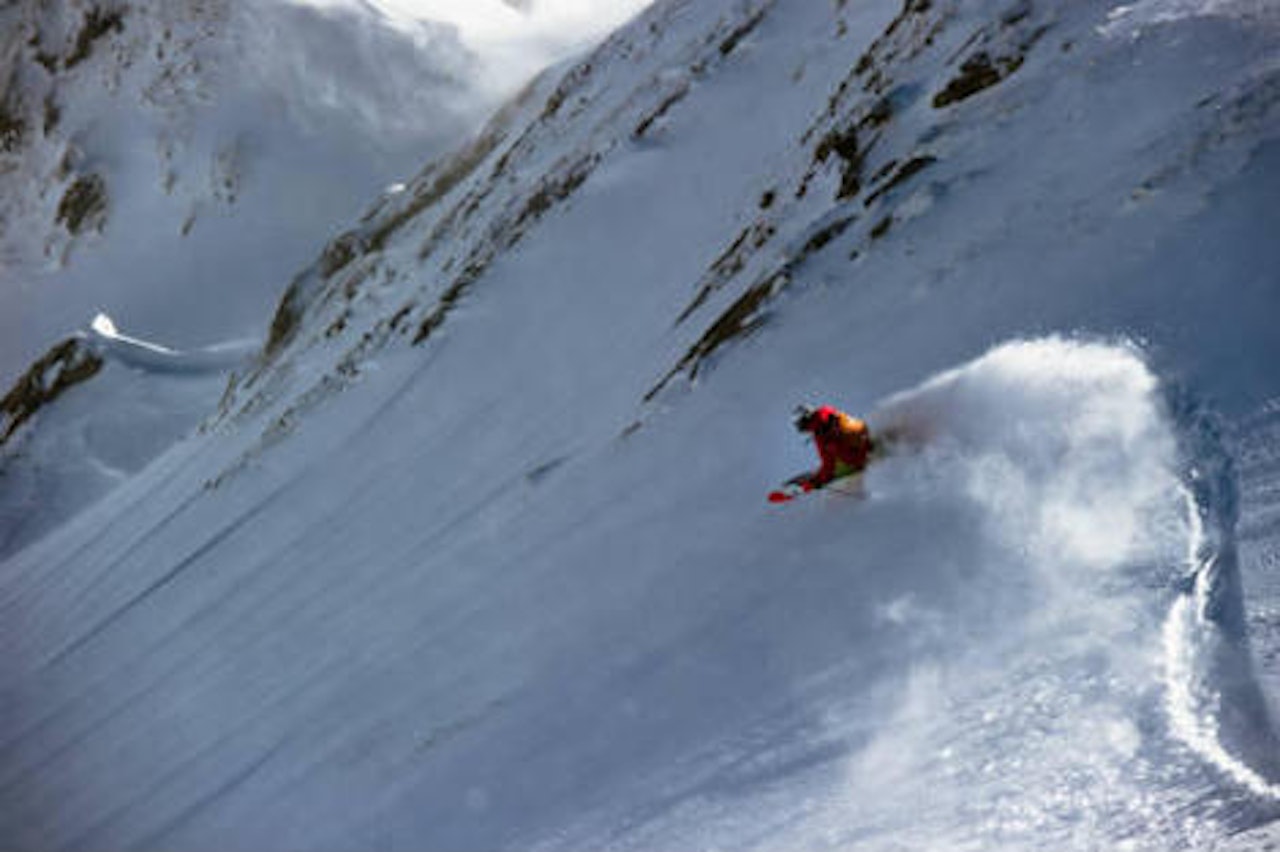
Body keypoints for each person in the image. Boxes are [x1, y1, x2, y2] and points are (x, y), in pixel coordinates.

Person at [789, 404, 875, 491]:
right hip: (866, 437)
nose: (800, 428)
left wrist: (816, 482)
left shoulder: (822, 436)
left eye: (799, 424)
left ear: (804, 422)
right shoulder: (829, 412)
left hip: (860, 458)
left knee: (833, 470)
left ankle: (812, 481)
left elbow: (829, 466)